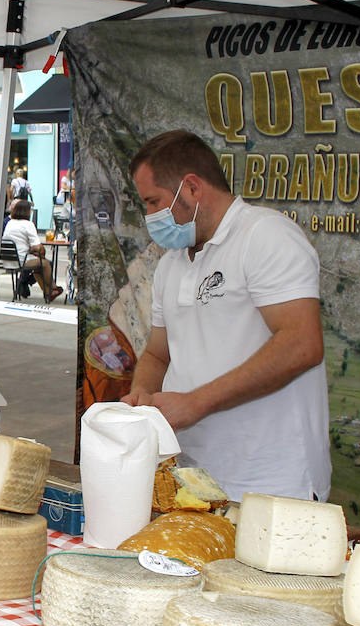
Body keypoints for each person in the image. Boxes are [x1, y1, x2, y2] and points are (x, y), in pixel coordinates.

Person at [120, 130, 329, 501]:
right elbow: (157, 354)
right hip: (194, 477)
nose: (149, 216)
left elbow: (302, 344)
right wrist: (142, 398)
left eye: (153, 202)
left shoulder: (265, 236)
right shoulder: (170, 265)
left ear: (192, 189)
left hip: (272, 483)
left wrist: (197, 402)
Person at [3, 199, 61, 303]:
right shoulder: (28, 224)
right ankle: (51, 289)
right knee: (45, 263)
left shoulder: (10, 223)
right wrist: (34, 249)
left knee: (39, 266)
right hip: (22, 260)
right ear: (26, 211)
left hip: (8, 260)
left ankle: (50, 292)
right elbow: (38, 247)